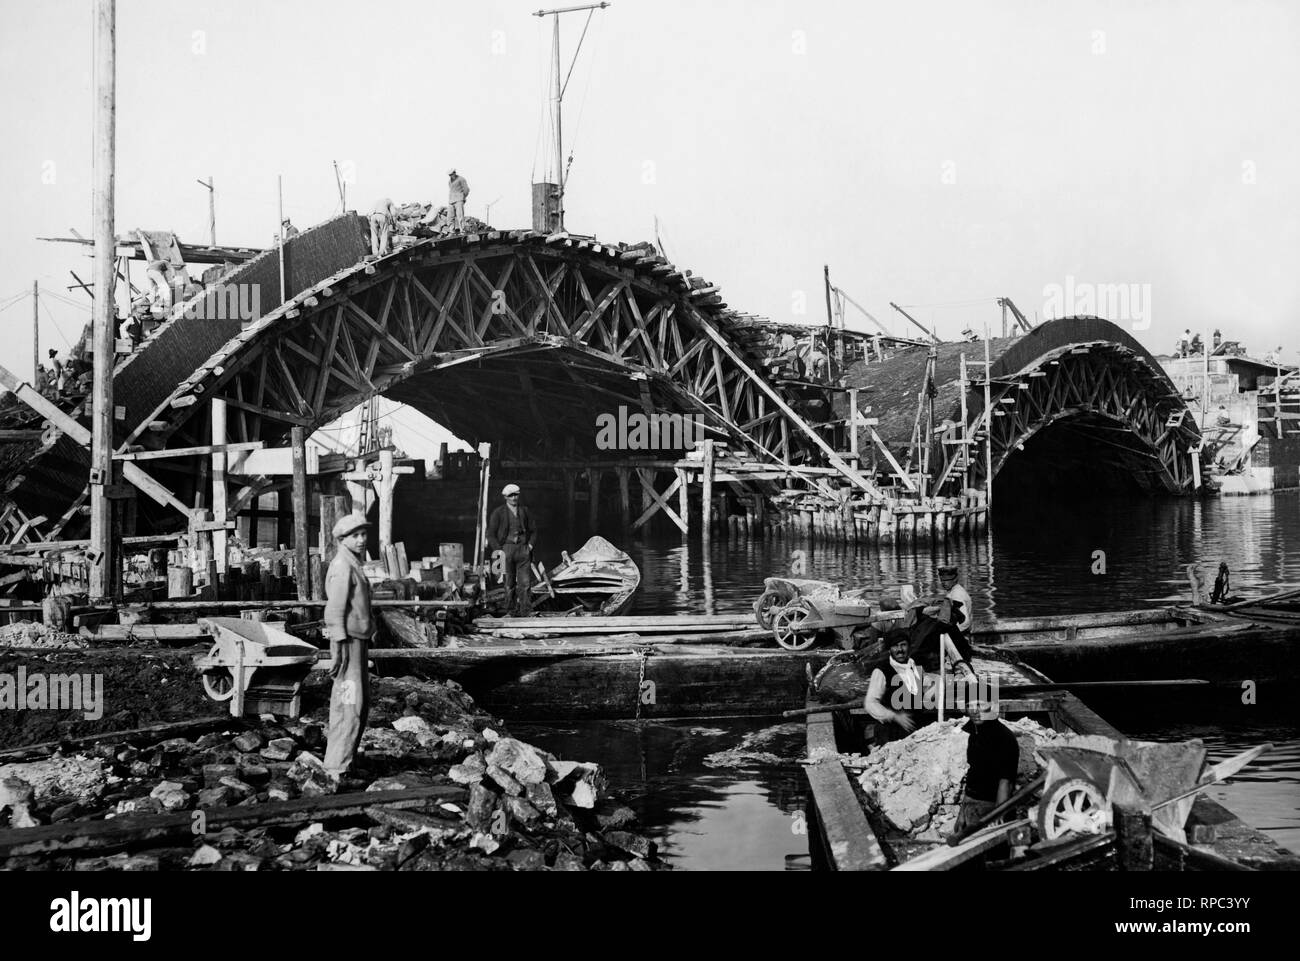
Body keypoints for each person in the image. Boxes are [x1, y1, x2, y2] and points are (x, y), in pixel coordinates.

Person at [323, 514, 375, 785]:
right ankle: (336, 769)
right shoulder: (343, 565)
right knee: (348, 704)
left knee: (358, 703)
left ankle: (347, 762)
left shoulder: (354, 563)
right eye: (356, 535)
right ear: (342, 539)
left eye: (364, 534)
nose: (362, 539)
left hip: (357, 641)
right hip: (348, 643)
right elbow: (334, 610)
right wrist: (339, 646)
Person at [952, 695, 1020, 835]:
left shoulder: (1004, 738)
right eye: (970, 705)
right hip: (972, 808)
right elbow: (973, 777)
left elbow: (1005, 782)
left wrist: (998, 817)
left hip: (991, 809)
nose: (974, 710)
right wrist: (962, 813)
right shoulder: (974, 734)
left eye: (979, 704)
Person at [862, 629, 922, 744]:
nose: (900, 650)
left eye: (903, 645)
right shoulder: (881, 671)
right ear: (889, 649)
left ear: (909, 647)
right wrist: (894, 716)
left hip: (913, 731)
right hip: (891, 734)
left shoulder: (914, 666)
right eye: (895, 646)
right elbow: (870, 703)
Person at [486, 483, 537, 616]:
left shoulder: (525, 511)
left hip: (523, 550)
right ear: (505, 497)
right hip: (506, 550)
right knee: (508, 583)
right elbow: (490, 534)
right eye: (511, 496)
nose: (514, 498)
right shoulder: (498, 513)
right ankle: (510, 611)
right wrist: (499, 550)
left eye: (516, 495)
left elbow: (534, 531)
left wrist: (530, 546)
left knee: (525, 583)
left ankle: (526, 611)